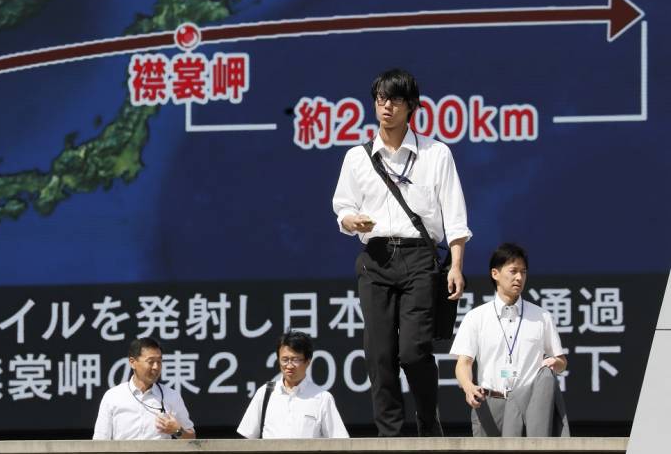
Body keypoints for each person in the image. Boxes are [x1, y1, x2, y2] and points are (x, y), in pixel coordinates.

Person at [331, 68, 471, 436]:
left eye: (395, 99)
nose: (386, 106)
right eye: (380, 99)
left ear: (411, 106)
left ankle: (427, 420)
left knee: (413, 351)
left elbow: (455, 217)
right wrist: (351, 220)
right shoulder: (357, 157)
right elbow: (342, 206)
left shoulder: (436, 154)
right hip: (375, 258)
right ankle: (389, 436)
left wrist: (456, 265)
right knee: (379, 354)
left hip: (420, 258)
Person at [450, 243, 569, 436]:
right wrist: (469, 387)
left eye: (523, 272)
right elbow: (464, 362)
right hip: (489, 402)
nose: (519, 277)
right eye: (513, 271)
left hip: (529, 406)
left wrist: (556, 363)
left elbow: (562, 362)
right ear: (495, 273)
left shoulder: (542, 316)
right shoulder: (476, 316)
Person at [237, 330, 349, 439]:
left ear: (308, 361)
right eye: (285, 359)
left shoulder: (322, 398)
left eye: (295, 360)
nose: (289, 366)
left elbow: (340, 441)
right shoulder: (265, 393)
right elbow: (248, 438)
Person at [92, 337, 196, 440]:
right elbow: (99, 441)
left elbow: (192, 439)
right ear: (132, 362)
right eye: (151, 362)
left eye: (159, 362)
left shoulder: (171, 396)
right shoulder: (113, 396)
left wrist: (177, 431)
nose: (156, 367)